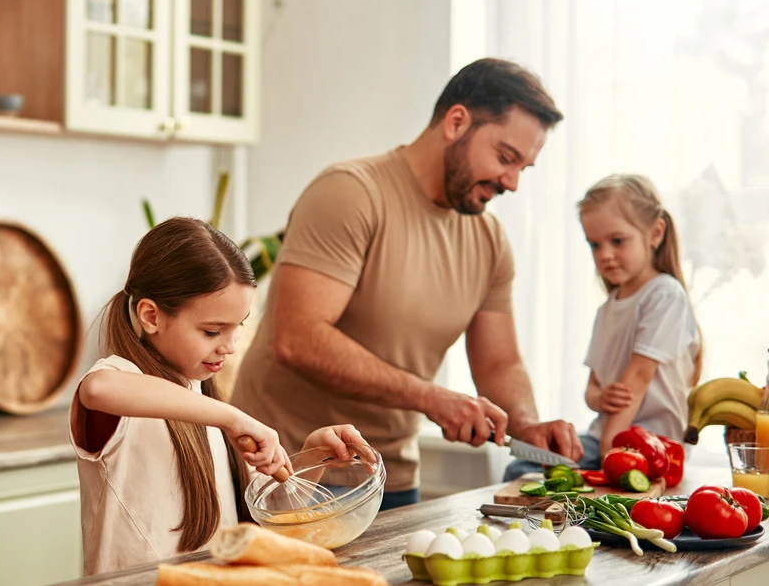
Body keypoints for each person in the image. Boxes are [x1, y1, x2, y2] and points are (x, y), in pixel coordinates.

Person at [230, 58, 583, 511]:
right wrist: (431, 398)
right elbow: (298, 339)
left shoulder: (490, 241)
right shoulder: (351, 193)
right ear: (456, 122)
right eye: (505, 157)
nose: (511, 182)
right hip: (287, 473)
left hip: (389, 480)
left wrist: (527, 425)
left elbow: (499, 363)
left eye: (523, 169)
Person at [70, 217, 370, 575]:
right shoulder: (123, 385)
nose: (229, 346)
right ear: (151, 316)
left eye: (237, 327)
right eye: (213, 331)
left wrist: (312, 456)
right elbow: (98, 388)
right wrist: (231, 418)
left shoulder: (203, 400)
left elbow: (261, 519)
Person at [504, 174, 702, 480]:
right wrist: (601, 398)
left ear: (655, 233)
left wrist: (611, 453)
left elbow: (637, 378)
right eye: (594, 244)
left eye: (617, 241)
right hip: (604, 436)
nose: (604, 254)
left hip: (652, 444)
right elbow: (593, 388)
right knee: (523, 468)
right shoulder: (607, 309)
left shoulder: (664, 294)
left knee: (526, 472)